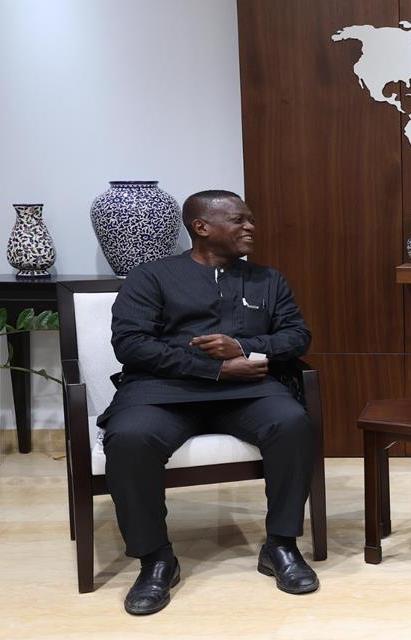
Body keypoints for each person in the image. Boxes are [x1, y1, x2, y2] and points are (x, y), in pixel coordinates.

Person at [98, 190, 319, 615]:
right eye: (239, 220)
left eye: (250, 219)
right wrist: (213, 369)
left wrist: (243, 347)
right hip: (163, 393)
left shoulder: (268, 280)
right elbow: (131, 344)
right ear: (201, 227)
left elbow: (297, 337)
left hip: (248, 392)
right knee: (129, 438)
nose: (250, 227)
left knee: (291, 422)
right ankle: (156, 559)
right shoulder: (151, 276)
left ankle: (281, 545)